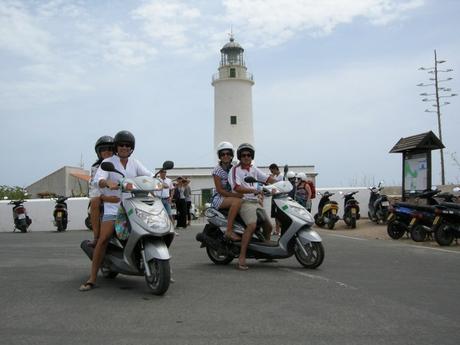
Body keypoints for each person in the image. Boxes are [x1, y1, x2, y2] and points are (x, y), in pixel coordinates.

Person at [79, 130, 154, 291]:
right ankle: (92, 278)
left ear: (131, 148)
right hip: (114, 206)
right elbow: (99, 178)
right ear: (116, 146)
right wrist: (106, 184)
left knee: (152, 228)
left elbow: (148, 175)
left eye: (127, 145)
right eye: (121, 145)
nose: (124, 148)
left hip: (133, 205)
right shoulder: (109, 162)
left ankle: (160, 266)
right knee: (104, 238)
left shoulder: (135, 163)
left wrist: (160, 181)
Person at [229, 143, 277, 270]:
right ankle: (242, 257)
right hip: (244, 201)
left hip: (256, 202)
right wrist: (253, 191)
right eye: (243, 155)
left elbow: (267, 179)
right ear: (239, 156)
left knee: (268, 225)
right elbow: (236, 187)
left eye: (249, 155)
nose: (246, 157)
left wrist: (281, 183)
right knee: (251, 225)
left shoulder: (253, 169)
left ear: (252, 156)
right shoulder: (235, 170)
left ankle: (266, 252)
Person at [210, 141, 243, 241]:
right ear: (220, 156)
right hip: (220, 198)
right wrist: (236, 196)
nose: (226, 156)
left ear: (232, 155)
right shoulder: (217, 170)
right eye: (223, 154)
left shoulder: (234, 168)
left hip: (231, 196)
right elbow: (220, 190)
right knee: (237, 202)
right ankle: (229, 231)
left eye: (228, 153)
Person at [88, 136, 117, 247]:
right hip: (102, 197)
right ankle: (96, 237)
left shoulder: (120, 163)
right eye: (103, 149)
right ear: (98, 152)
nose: (107, 152)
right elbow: (95, 188)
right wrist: (104, 197)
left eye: (110, 149)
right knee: (95, 201)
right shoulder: (96, 167)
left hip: (120, 195)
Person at [269, 163, 283, 236]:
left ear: (275, 169)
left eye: (272, 171)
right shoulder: (276, 176)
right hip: (274, 197)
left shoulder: (281, 176)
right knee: (275, 215)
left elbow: (278, 184)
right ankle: (277, 231)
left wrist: (272, 178)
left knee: (279, 215)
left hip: (279, 197)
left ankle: (281, 230)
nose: (272, 173)